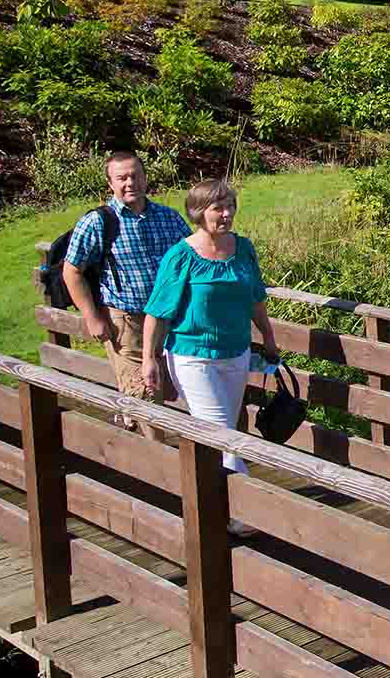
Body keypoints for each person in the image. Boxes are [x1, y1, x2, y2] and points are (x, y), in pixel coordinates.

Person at [140, 179, 279, 537]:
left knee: (225, 431)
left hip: (235, 352)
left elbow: (255, 297)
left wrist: (268, 335)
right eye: (218, 207)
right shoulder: (181, 256)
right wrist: (149, 359)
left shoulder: (243, 249)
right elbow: (157, 312)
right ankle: (250, 512)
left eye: (230, 205)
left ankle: (215, 507)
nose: (227, 213)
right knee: (221, 434)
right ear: (199, 213)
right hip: (192, 356)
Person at [62, 151, 187, 441]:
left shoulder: (168, 218)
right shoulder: (96, 222)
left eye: (135, 175)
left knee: (167, 386)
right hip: (127, 322)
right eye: (122, 178)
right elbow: (72, 272)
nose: (130, 182)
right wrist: (92, 317)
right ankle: (158, 463)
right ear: (110, 183)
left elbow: (192, 257)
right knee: (145, 393)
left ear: (145, 177)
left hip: (170, 320)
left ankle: (130, 420)